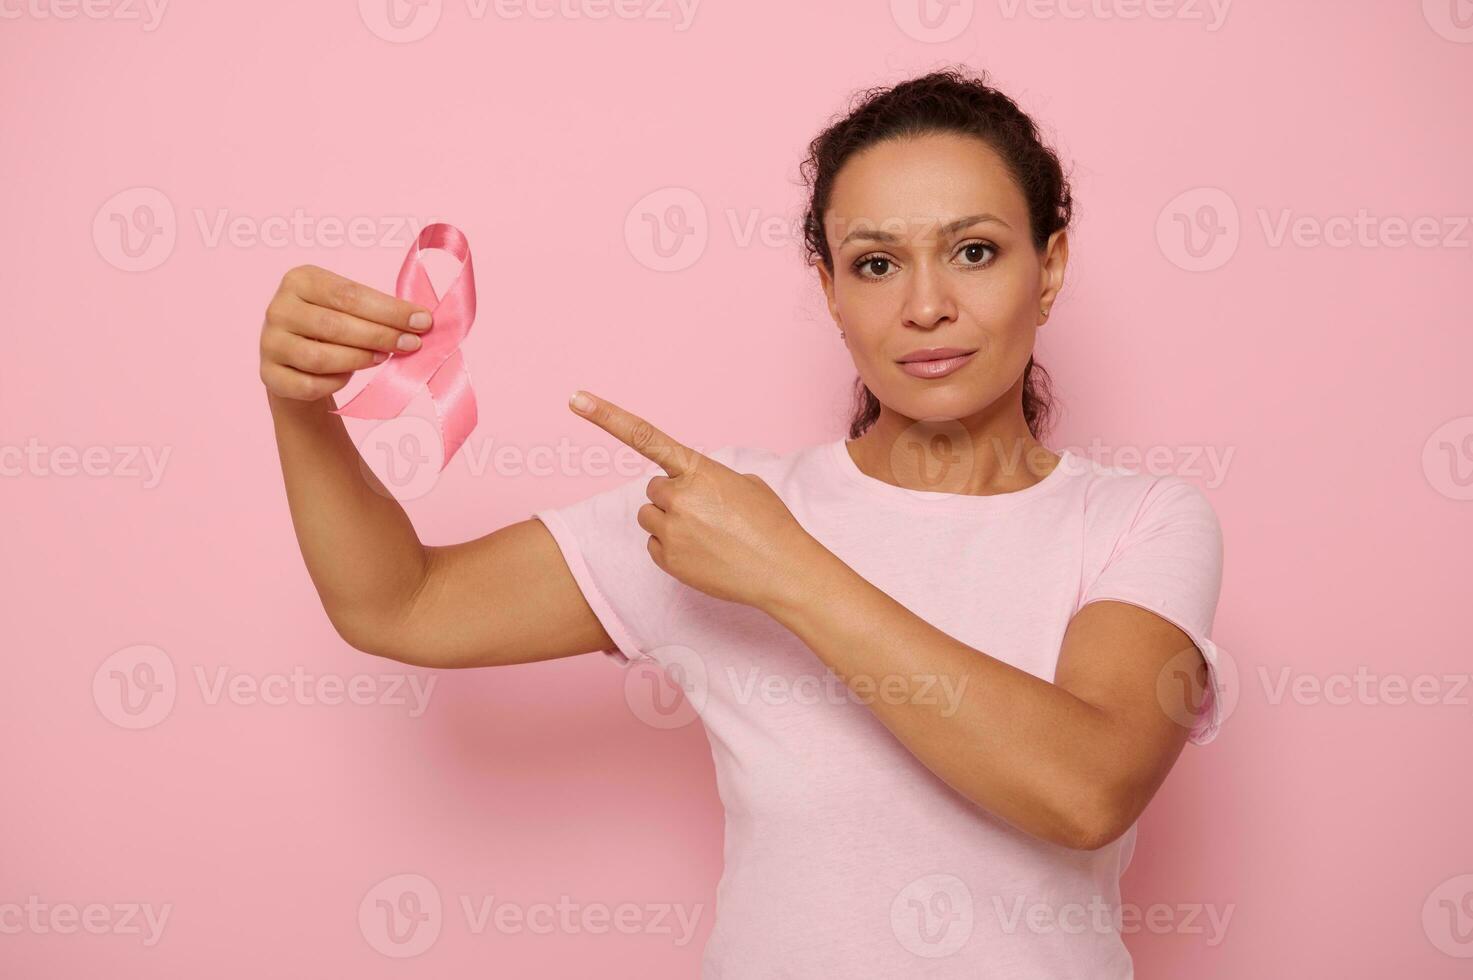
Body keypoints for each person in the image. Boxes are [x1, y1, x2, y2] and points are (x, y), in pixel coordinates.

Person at [259, 66, 1226, 977]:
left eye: (973, 251)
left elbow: (1084, 789)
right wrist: (300, 406)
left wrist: (786, 570)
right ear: (830, 292)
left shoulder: (1137, 520)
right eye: (876, 262)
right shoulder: (715, 511)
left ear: (1048, 267)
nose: (927, 305)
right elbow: (401, 605)